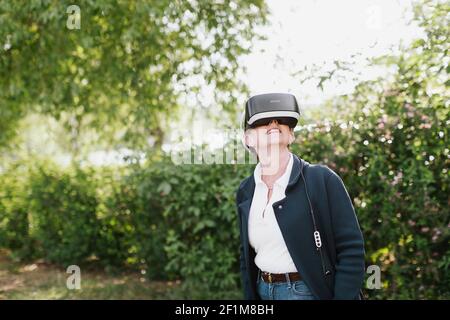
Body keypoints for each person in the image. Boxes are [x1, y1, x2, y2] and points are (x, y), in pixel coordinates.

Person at [236, 93, 365, 300]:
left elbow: (351, 250)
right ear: (248, 139)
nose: (274, 123)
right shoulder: (246, 190)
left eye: (282, 121)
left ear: (291, 135)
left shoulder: (321, 180)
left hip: (306, 292)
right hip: (263, 290)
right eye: (263, 122)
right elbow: (246, 256)